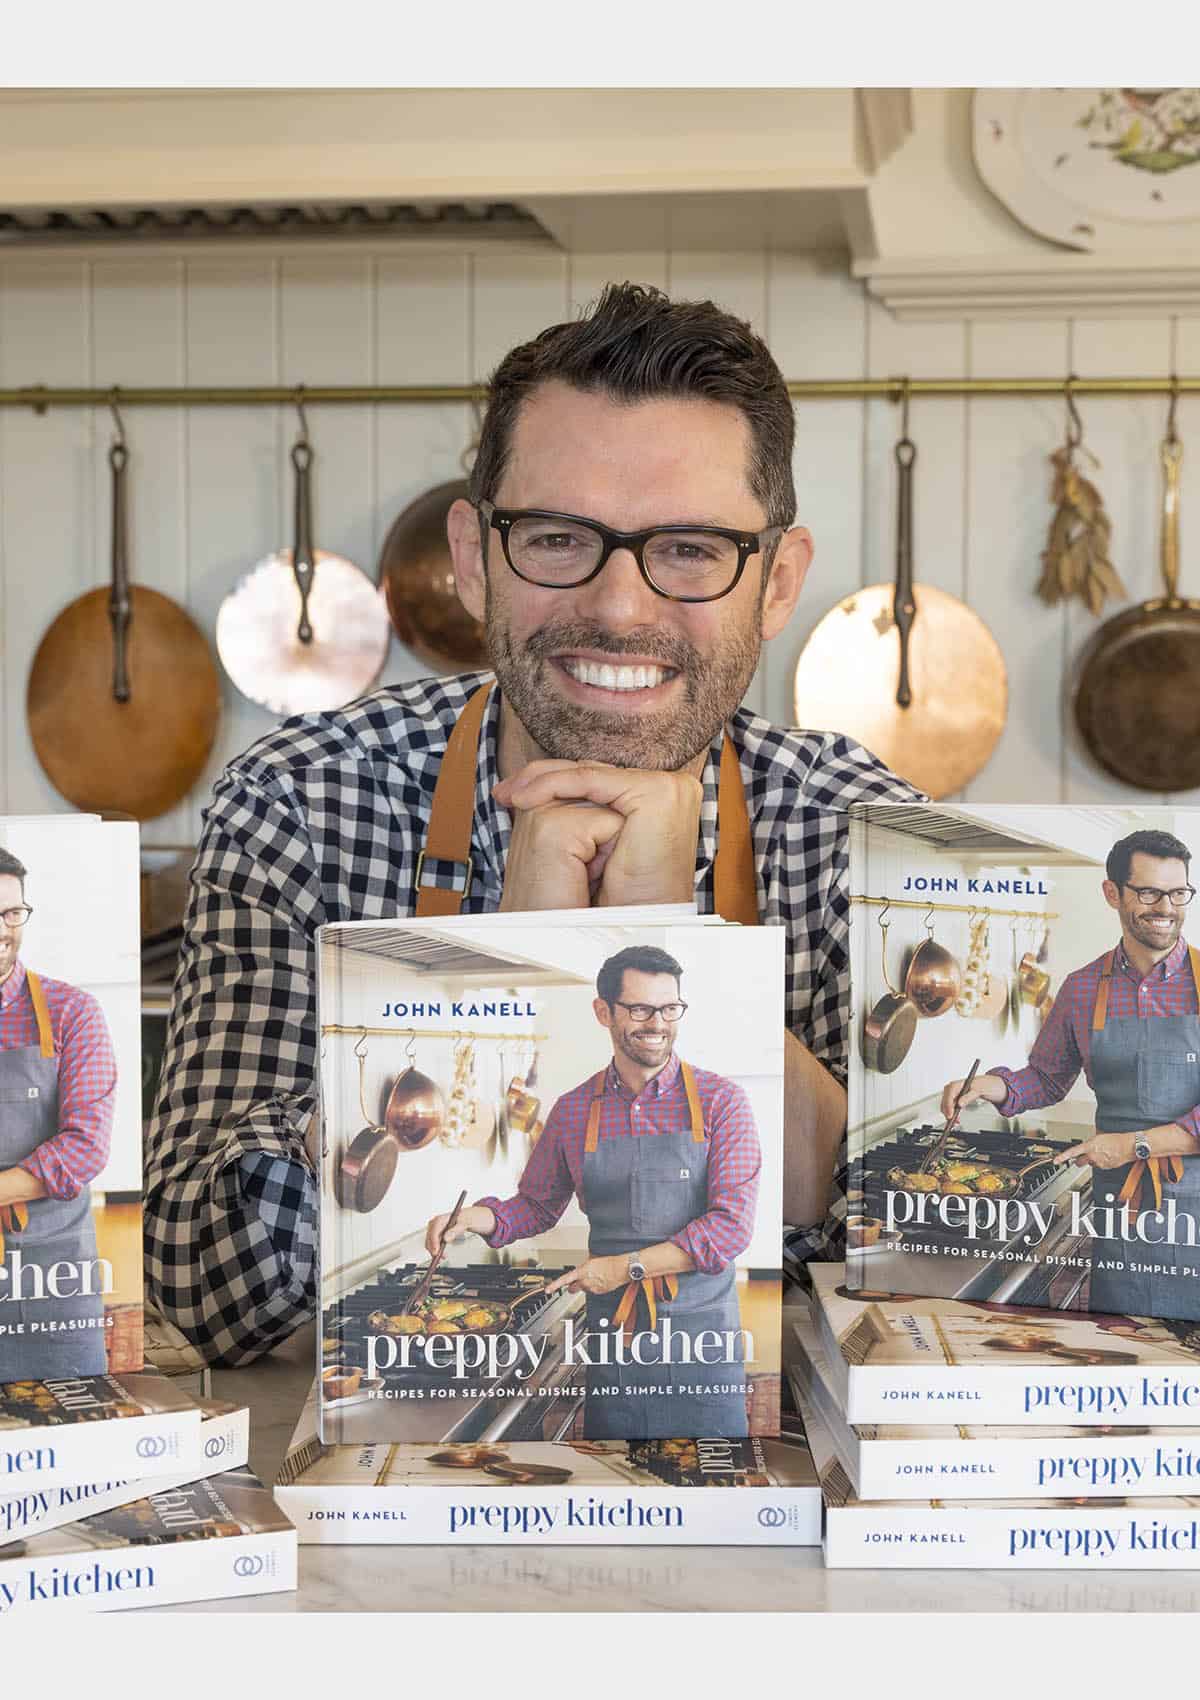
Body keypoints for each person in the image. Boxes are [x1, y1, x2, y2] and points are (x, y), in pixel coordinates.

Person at [147, 281, 921, 1364]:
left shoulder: (867, 834)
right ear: (472, 557)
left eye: (691, 547)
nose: (619, 605)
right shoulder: (300, 802)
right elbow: (202, 1284)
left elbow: (966, 1269)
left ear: (778, 579)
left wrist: (660, 942)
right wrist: (496, 977)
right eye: (558, 537)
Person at [424, 945, 760, 1437]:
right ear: (604, 1011)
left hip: (698, 1335)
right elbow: (537, 1205)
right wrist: (473, 1218)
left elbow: (730, 1228)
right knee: (615, 1475)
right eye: (640, 1009)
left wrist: (623, 1269)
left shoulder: (722, 1102)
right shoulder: (573, 1109)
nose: (657, 1023)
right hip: (616, 1339)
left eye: (669, 1008)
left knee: (708, 1474)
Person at [940, 829, 1200, 1320]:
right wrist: (986, 1087)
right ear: (1112, 893)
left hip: (1196, 1206)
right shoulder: (1083, 988)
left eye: (1178, 892)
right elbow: (1046, 1076)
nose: (1166, 906)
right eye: (1148, 892)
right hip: (1121, 1213)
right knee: (1118, 1341)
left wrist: (1134, 1144)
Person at [0, 847, 116, 1377]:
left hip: (51, 1276)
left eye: (11, 912)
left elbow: (85, 1145)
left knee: (72, 1424)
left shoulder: (72, 1013)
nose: (3, 928)